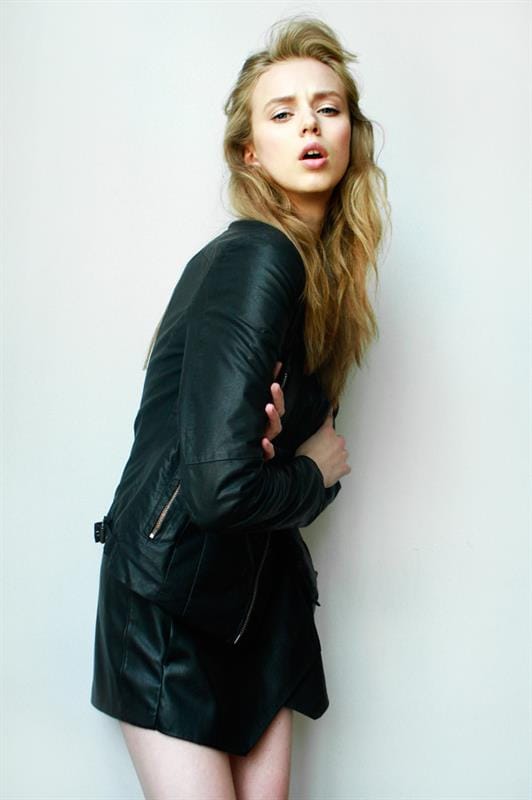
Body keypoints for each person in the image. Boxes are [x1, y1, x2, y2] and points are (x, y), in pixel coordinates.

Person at [90, 13, 390, 800]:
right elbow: (224, 488)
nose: (310, 126)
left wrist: (291, 465)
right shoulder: (260, 256)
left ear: (352, 134)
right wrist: (310, 472)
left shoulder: (322, 282)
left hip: (253, 599)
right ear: (251, 152)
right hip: (172, 602)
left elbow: (263, 464)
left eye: (327, 108)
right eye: (282, 113)